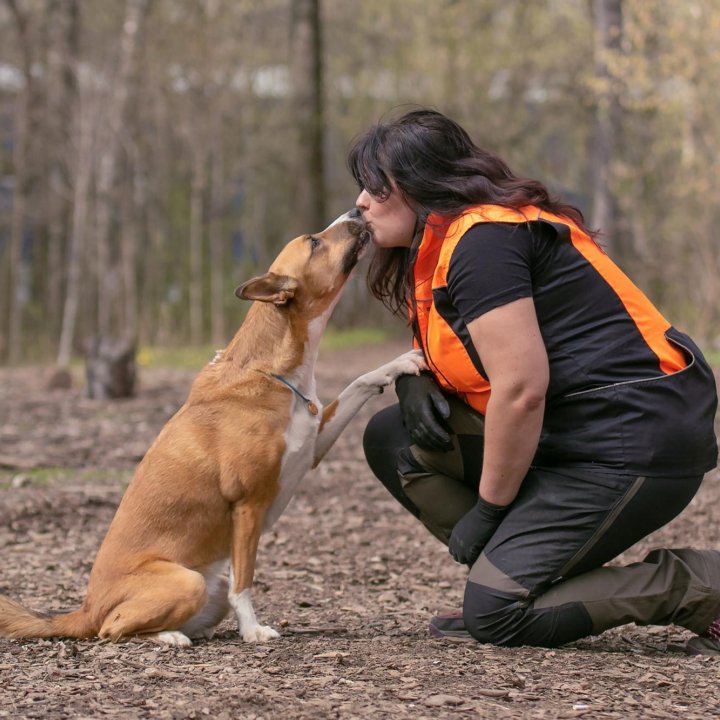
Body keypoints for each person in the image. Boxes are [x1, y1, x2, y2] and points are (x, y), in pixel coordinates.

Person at [349, 108, 720, 653]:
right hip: (569, 438)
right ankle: (516, 579)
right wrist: (415, 377)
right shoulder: (448, 244)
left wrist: (491, 511)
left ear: (421, 185)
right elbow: (475, 349)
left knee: (499, 618)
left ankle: (698, 587)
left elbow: (521, 388)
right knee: (392, 437)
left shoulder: (483, 241)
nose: (360, 200)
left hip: (627, 444)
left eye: (376, 186)